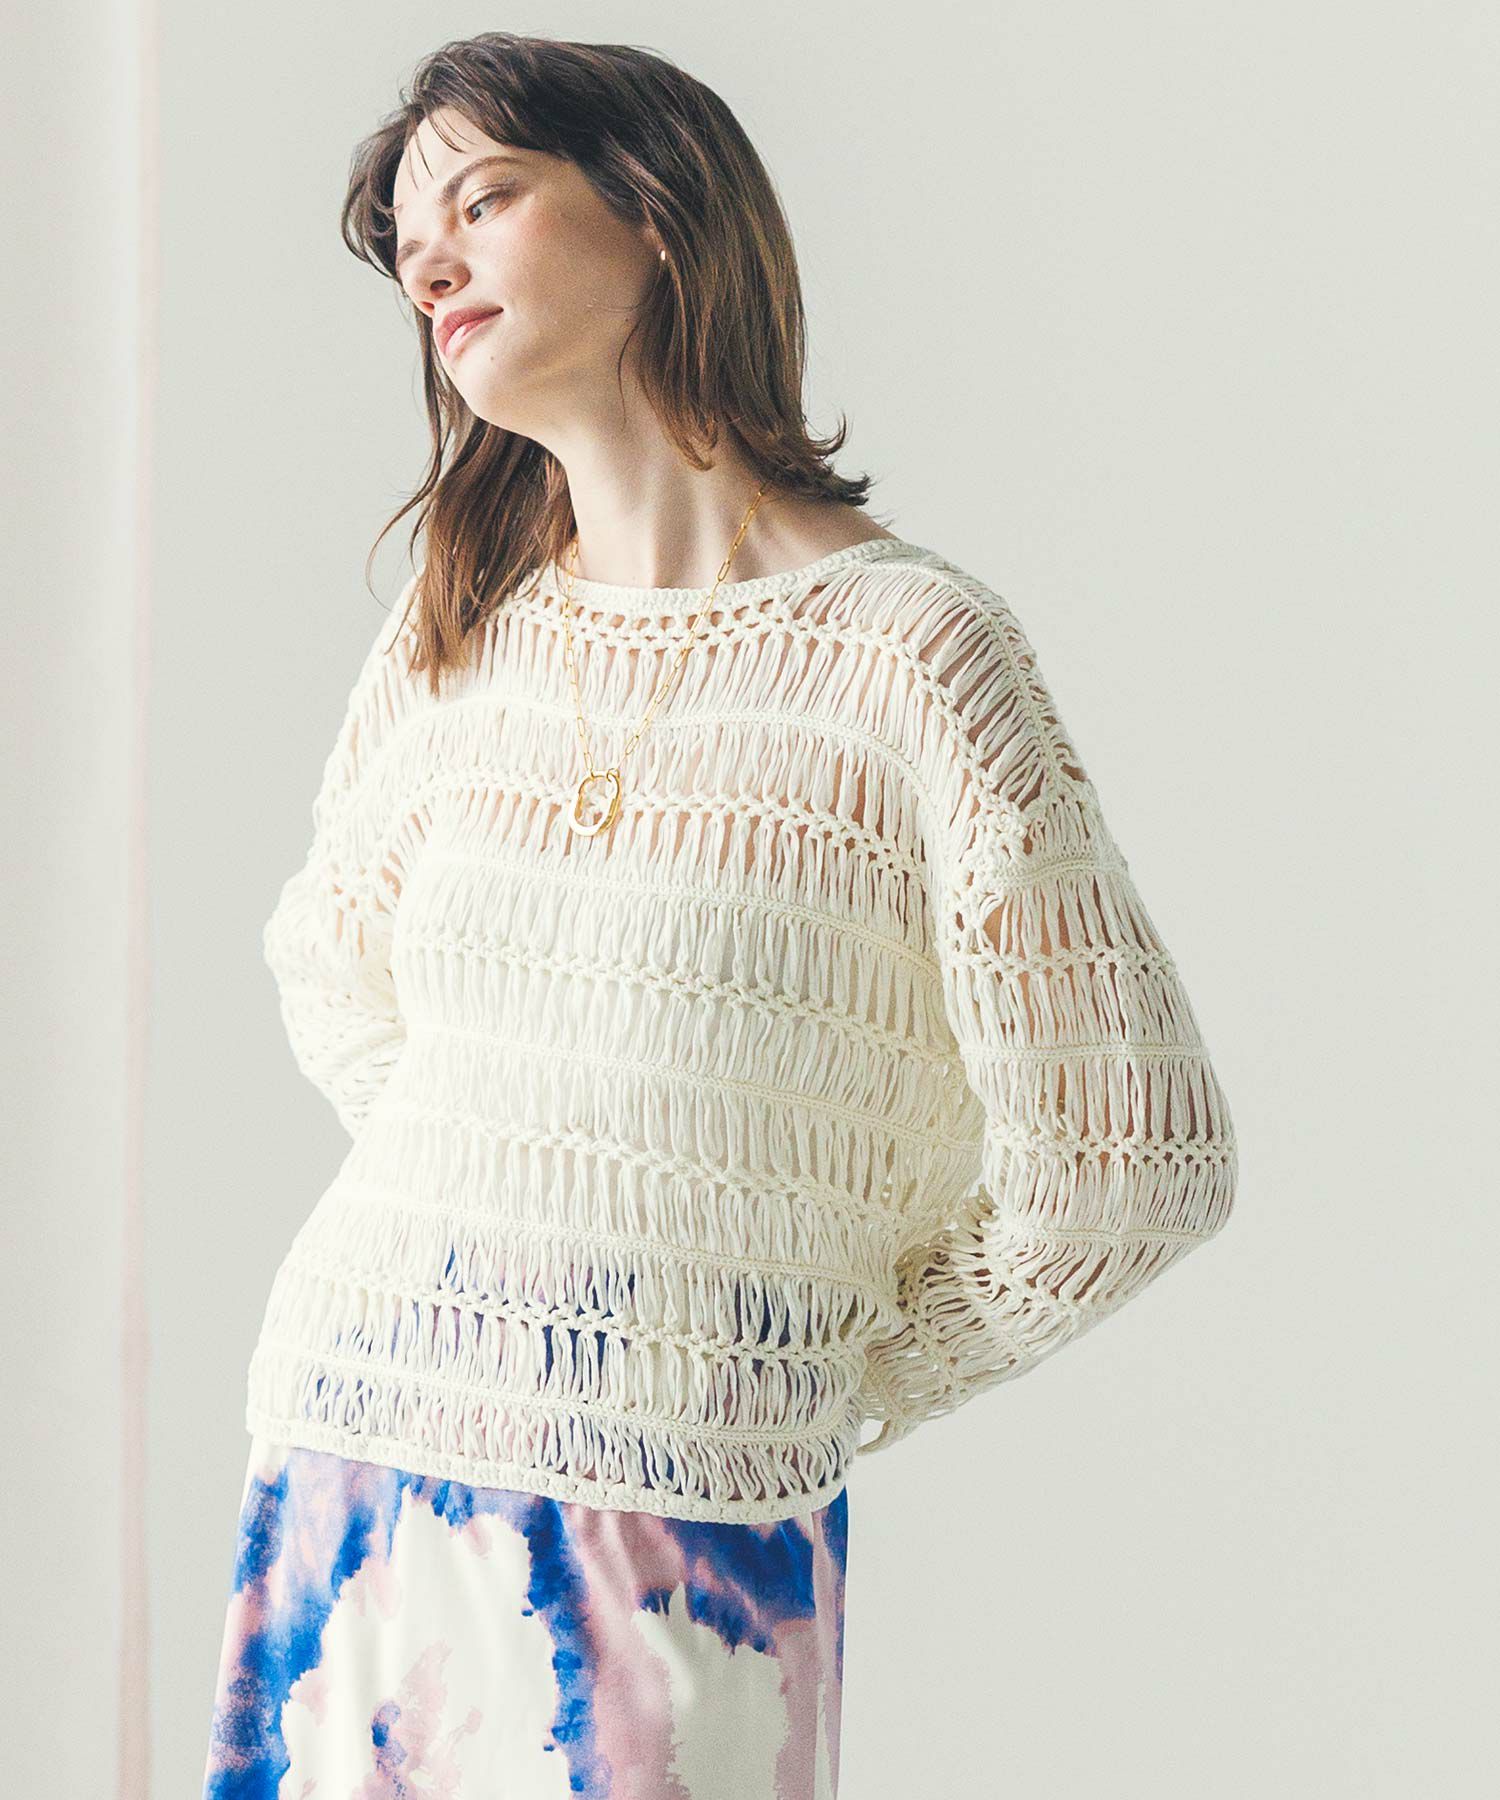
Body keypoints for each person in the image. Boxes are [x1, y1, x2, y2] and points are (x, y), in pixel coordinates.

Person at [201, 32, 1238, 1800]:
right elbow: (333, 972)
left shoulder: (916, 656)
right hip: (352, 1442)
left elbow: (1135, 1166)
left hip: (678, 1517)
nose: (432, 267)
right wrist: (540, 1249)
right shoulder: (464, 623)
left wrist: (786, 1363)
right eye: (408, 247)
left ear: (661, 211)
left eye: (484, 201)